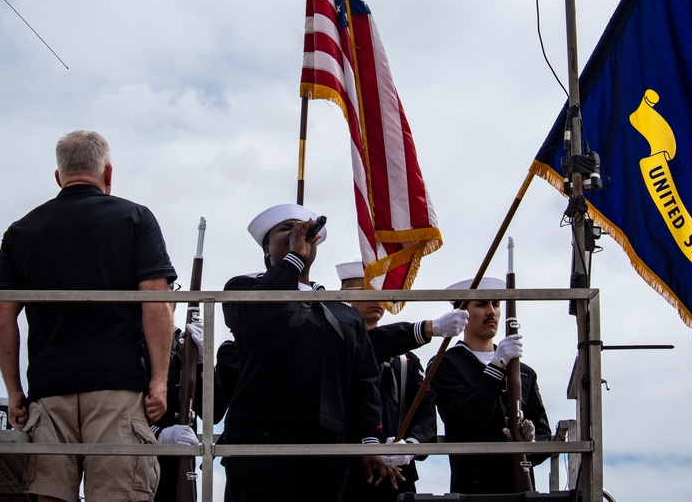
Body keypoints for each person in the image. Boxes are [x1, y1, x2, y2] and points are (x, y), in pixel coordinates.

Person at [0, 130, 177, 502]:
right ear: (108, 173)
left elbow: (1, 314)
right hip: (117, 385)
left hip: (49, 386)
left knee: (51, 495)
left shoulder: (20, 231)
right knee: (119, 494)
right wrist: (158, 382)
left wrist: (15, 393)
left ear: (59, 178)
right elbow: (156, 302)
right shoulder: (136, 218)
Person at [221, 204, 395, 502]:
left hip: (327, 443)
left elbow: (363, 380)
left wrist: (369, 441)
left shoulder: (342, 312)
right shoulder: (243, 287)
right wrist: (291, 261)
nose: (297, 234)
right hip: (263, 439)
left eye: (303, 230)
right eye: (286, 229)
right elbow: (254, 319)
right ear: (266, 248)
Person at [337, 261, 469, 502]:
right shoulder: (336, 345)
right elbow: (369, 345)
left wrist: (409, 445)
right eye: (367, 290)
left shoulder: (406, 359)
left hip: (397, 477)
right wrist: (426, 328)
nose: (377, 298)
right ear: (345, 296)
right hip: (349, 472)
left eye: (381, 291)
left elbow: (426, 409)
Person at [431, 276, 552, 494]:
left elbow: (545, 434)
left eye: (496, 304)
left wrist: (531, 442)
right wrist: (496, 367)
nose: (492, 311)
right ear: (462, 313)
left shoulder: (524, 372)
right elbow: (465, 419)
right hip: (474, 489)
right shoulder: (445, 364)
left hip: (520, 487)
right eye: (481, 304)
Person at [152, 313, 241, 502]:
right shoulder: (134, 342)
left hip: (180, 463)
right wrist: (157, 435)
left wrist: (201, 363)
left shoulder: (182, 345)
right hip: (140, 457)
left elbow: (213, 411)